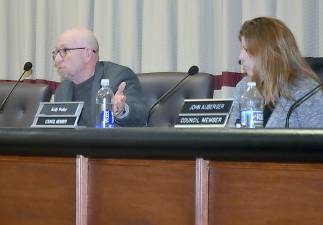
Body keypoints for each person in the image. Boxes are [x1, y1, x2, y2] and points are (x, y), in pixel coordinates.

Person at [227, 17, 323, 128]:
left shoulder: (306, 92)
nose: (240, 57)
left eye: (246, 49)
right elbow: (229, 137)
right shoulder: (244, 86)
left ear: (268, 53)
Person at [52, 27, 147, 127]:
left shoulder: (118, 77)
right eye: (56, 53)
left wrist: (121, 110)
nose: (57, 59)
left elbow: (140, 116)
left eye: (64, 51)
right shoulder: (62, 90)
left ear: (87, 54)